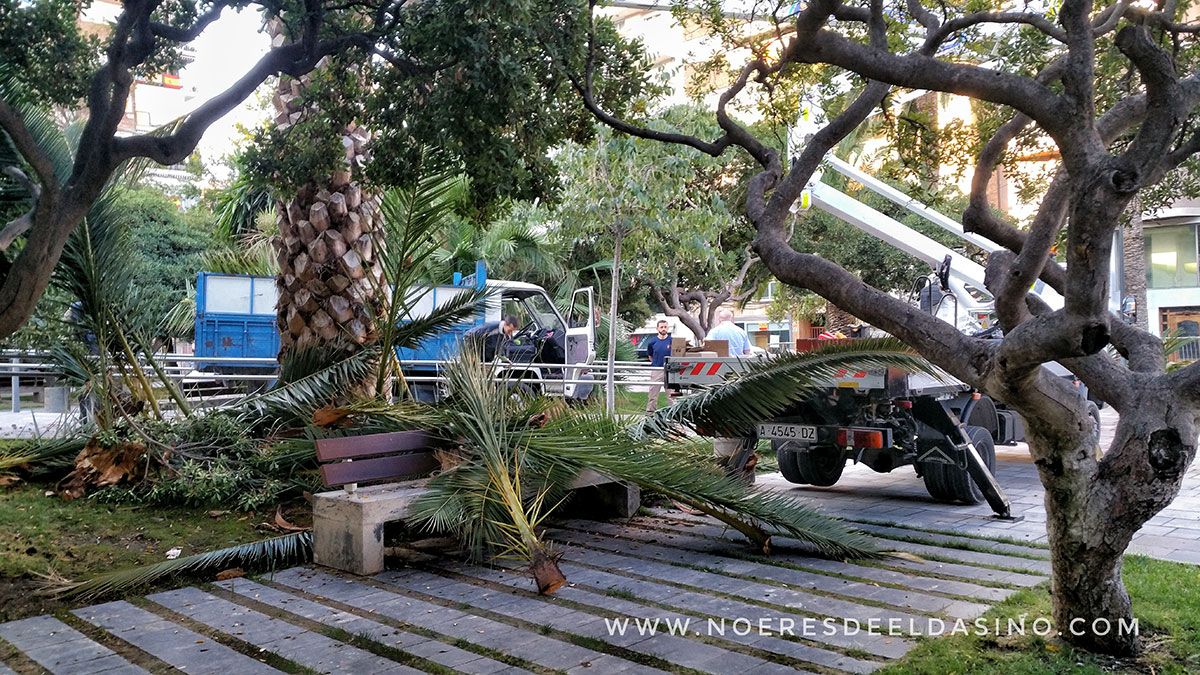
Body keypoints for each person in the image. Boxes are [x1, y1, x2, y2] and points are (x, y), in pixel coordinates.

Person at [640, 319, 674, 413]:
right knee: (653, 395)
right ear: (657, 328)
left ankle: (673, 416)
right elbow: (650, 356)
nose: (663, 329)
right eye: (661, 327)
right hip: (656, 370)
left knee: (672, 395)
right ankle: (650, 415)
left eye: (665, 327)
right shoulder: (652, 342)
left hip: (670, 370)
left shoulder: (672, 341)